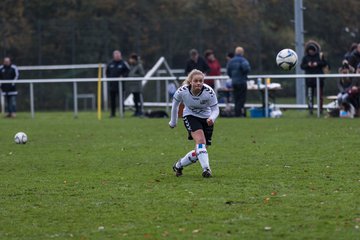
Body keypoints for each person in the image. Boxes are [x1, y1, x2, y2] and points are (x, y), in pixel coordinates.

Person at [169, 69, 219, 178]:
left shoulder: (209, 92)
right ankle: (206, 169)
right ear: (190, 81)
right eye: (196, 81)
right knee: (200, 141)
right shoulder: (182, 91)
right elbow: (175, 106)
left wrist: (212, 118)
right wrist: (173, 121)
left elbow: (216, 109)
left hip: (206, 119)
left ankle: (178, 165)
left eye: (201, 81)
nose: (198, 83)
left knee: (200, 151)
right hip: (190, 116)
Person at [300, 40, 329, 115]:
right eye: (310, 50)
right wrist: (308, 65)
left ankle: (320, 109)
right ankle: (310, 109)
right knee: (310, 96)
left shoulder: (320, 56)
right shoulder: (305, 58)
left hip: (319, 80)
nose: (311, 52)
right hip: (309, 80)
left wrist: (317, 64)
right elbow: (302, 66)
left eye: (312, 50)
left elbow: (325, 63)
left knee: (320, 96)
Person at [226, 46, 251, 117]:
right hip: (242, 82)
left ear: (235, 52)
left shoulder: (231, 61)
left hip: (234, 82)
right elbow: (247, 69)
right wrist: (243, 75)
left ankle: (237, 113)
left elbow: (228, 72)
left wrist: (233, 77)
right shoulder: (243, 60)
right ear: (242, 53)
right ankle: (239, 114)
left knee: (236, 98)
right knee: (242, 99)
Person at [106, 50, 130, 117]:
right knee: (112, 100)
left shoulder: (123, 63)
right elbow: (107, 72)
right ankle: (112, 114)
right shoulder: (110, 64)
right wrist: (109, 79)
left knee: (121, 100)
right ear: (113, 56)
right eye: (115, 55)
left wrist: (123, 77)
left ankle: (122, 113)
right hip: (112, 85)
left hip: (120, 86)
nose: (117, 56)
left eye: (118, 55)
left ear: (120, 55)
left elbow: (127, 71)